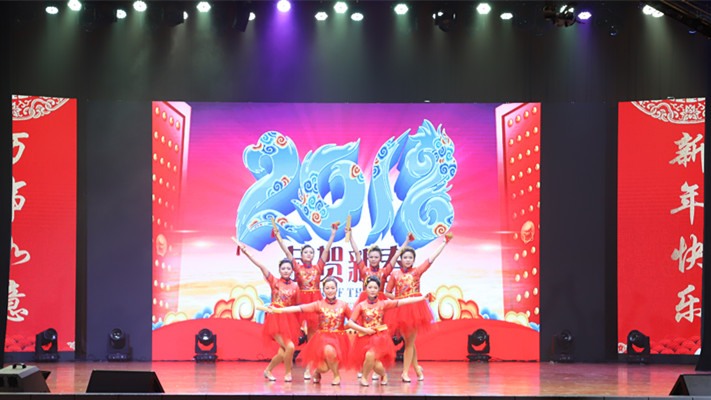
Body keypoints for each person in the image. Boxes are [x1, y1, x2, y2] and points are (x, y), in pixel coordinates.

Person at [274, 223, 339, 380]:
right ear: (301, 255)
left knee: (312, 339)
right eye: (306, 252)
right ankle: (286, 369)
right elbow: (287, 253)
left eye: (311, 252)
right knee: (291, 339)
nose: (309, 254)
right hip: (301, 303)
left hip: (315, 303)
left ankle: (310, 368)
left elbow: (326, 251)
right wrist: (278, 237)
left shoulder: (318, 268)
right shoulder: (297, 268)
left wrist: (332, 235)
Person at [385, 233, 452, 382]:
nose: (408, 260)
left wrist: (444, 243)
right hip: (401, 310)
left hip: (415, 310)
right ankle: (416, 369)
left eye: (410, 258)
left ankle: (405, 373)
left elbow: (431, 259)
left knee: (409, 342)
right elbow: (387, 292)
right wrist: (398, 301)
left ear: (413, 260)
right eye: (405, 257)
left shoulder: (417, 272)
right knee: (409, 342)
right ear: (401, 259)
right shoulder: (395, 274)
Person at [268, 277, 356, 385]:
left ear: (336, 289)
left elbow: (354, 320)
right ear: (323, 290)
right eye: (327, 288)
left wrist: (343, 328)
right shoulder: (319, 304)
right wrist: (279, 310)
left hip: (338, 339)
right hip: (323, 339)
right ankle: (332, 374)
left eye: (332, 288)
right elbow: (299, 308)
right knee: (326, 359)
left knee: (327, 363)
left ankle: (324, 374)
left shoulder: (343, 305)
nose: (330, 291)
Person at [346, 275, 427, 386]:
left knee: (370, 355)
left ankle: (364, 378)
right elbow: (350, 323)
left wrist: (421, 298)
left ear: (379, 289)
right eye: (370, 287)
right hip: (365, 338)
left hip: (379, 338)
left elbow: (404, 301)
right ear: (366, 289)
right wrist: (365, 329)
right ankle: (383, 375)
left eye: (375, 288)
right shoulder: (361, 306)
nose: (372, 290)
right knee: (376, 364)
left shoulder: (383, 304)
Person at [239, 243, 301, 382]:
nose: (286, 270)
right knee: (290, 347)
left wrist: (300, 325)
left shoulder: (295, 287)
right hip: (275, 321)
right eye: (283, 268)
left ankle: (267, 371)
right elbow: (261, 266)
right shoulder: (274, 282)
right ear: (279, 270)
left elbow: (296, 306)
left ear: (292, 270)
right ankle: (288, 373)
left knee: (283, 352)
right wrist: (248, 254)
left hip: (289, 321)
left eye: (288, 268)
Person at [347, 227, 413, 303]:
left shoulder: (384, 272)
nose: (373, 259)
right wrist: (350, 236)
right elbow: (357, 253)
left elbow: (396, 256)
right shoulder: (364, 270)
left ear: (380, 258)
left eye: (376, 257)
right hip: (365, 301)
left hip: (380, 302)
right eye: (371, 257)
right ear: (368, 258)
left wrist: (406, 241)